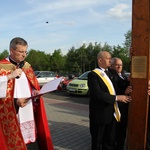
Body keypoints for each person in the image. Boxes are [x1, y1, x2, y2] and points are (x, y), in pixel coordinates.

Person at [0, 37, 54, 150]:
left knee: (30, 144)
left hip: (28, 110)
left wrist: (35, 92)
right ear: (11, 51)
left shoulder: (27, 66)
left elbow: (31, 85)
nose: (24, 55)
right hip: (12, 113)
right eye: (21, 52)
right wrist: (15, 100)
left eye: (25, 51)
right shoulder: (1, 67)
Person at [87, 51, 132, 150]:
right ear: (100, 60)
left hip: (111, 115)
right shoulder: (93, 75)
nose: (110, 60)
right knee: (97, 142)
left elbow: (122, 83)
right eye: (108, 58)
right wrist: (117, 98)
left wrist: (131, 57)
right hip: (99, 116)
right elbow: (97, 94)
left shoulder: (111, 72)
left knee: (109, 142)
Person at [110, 57, 132, 150]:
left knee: (122, 132)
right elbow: (112, 91)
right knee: (116, 132)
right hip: (116, 108)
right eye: (117, 64)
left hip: (125, 108)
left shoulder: (123, 75)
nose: (119, 66)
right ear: (111, 65)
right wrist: (124, 91)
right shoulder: (110, 76)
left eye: (121, 65)